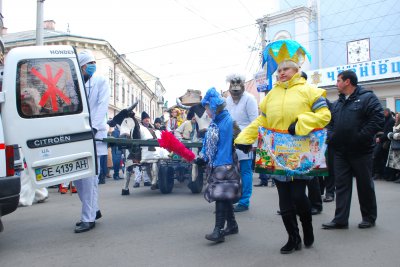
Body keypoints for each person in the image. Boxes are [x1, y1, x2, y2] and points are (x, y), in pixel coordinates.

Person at [235, 42, 331, 253]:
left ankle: (307, 227)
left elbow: (324, 116)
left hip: (301, 153)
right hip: (276, 153)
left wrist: (301, 124)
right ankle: (293, 238)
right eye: (279, 70)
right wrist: (244, 138)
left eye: (285, 69)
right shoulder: (271, 95)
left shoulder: (311, 91)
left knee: (298, 196)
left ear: (297, 69)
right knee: (284, 200)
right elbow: (262, 122)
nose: (281, 73)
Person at [322, 70, 384, 230]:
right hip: (340, 152)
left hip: (361, 151)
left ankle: (369, 217)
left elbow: (377, 119)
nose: (336, 84)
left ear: (347, 82)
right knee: (341, 185)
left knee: (364, 185)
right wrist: (331, 136)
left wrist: (360, 137)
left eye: (338, 81)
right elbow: (330, 122)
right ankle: (340, 220)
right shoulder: (338, 103)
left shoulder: (367, 97)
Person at [196, 87, 241, 243]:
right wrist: (203, 157)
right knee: (225, 195)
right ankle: (232, 225)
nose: (206, 112)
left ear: (214, 107)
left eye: (208, 108)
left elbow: (240, 138)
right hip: (219, 163)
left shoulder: (228, 121)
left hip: (225, 164)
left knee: (221, 195)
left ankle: (218, 230)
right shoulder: (217, 121)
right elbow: (208, 144)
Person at [74, 50, 110, 233]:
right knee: (77, 179)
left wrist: (94, 128)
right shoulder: (75, 83)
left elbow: (102, 106)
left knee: (90, 178)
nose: (92, 65)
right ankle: (93, 210)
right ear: (81, 66)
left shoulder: (101, 81)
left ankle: (88, 218)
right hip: (77, 135)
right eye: (89, 63)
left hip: (94, 135)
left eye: (94, 62)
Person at [225, 74, 258, 212]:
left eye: (238, 90)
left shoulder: (250, 99)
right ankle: (235, 197)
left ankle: (244, 201)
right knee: (231, 171)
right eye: (233, 91)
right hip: (230, 140)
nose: (235, 93)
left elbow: (255, 122)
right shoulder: (227, 100)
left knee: (245, 171)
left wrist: (253, 144)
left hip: (245, 140)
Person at [372, 108, 395, 180]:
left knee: (380, 157)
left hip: (385, 142)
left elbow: (388, 132)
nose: (383, 114)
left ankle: (382, 174)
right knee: (380, 158)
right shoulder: (385, 120)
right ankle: (380, 173)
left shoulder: (391, 121)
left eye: (385, 112)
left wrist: (380, 138)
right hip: (382, 141)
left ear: (388, 112)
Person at [132, 111, 153, 188]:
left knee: (147, 165)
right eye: (146, 120)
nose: (147, 121)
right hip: (139, 148)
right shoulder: (138, 127)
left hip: (148, 148)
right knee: (137, 165)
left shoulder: (151, 128)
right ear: (142, 120)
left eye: (148, 119)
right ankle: (137, 181)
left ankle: (146, 180)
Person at [386, 112, 400, 183]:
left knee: (398, 163)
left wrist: (392, 135)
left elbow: (397, 135)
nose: (396, 118)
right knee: (396, 164)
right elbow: (389, 134)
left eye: (397, 117)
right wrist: (391, 135)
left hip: (398, 146)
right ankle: (395, 176)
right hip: (394, 145)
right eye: (396, 117)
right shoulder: (395, 125)